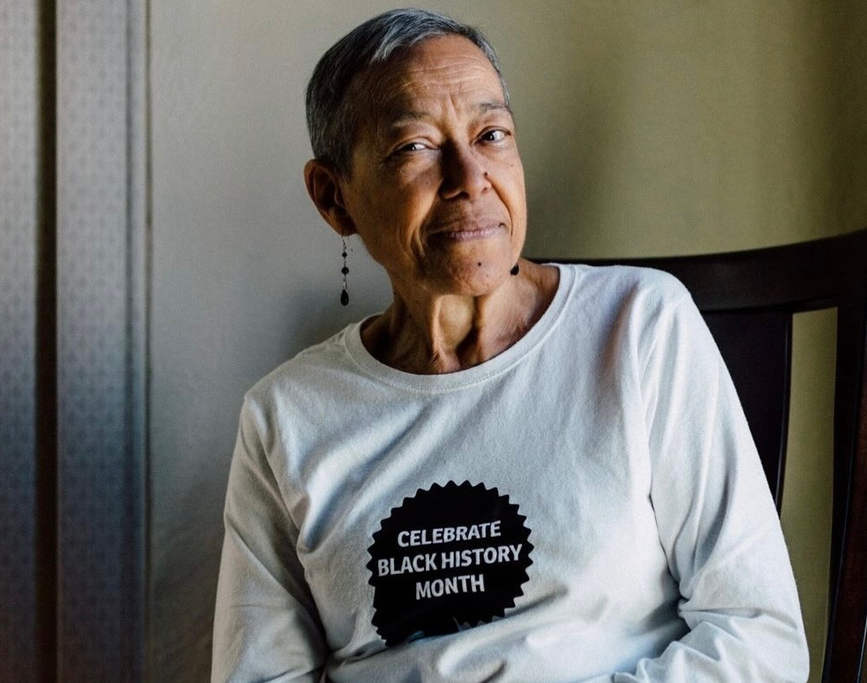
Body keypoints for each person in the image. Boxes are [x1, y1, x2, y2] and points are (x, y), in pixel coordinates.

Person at [212, 8, 808, 682]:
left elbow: (760, 639)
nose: (470, 177)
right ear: (334, 199)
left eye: (491, 135)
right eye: (415, 147)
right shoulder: (285, 417)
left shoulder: (639, 326)